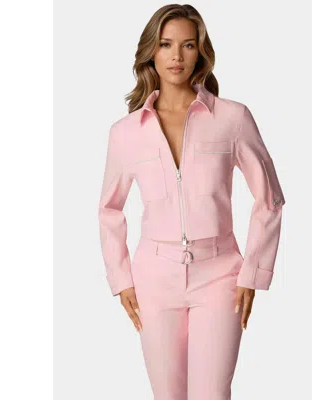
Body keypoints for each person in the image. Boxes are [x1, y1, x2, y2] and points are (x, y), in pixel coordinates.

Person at [98, 4, 286, 399]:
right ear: (151, 51)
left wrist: (253, 272)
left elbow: (269, 198)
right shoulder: (126, 132)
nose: (177, 56)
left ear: (200, 51)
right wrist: (121, 278)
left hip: (220, 274)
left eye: (187, 45)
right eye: (166, 44)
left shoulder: (232, 118)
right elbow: (109, 209)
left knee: (212, 394)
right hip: (154, 277)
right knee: (167, 394)